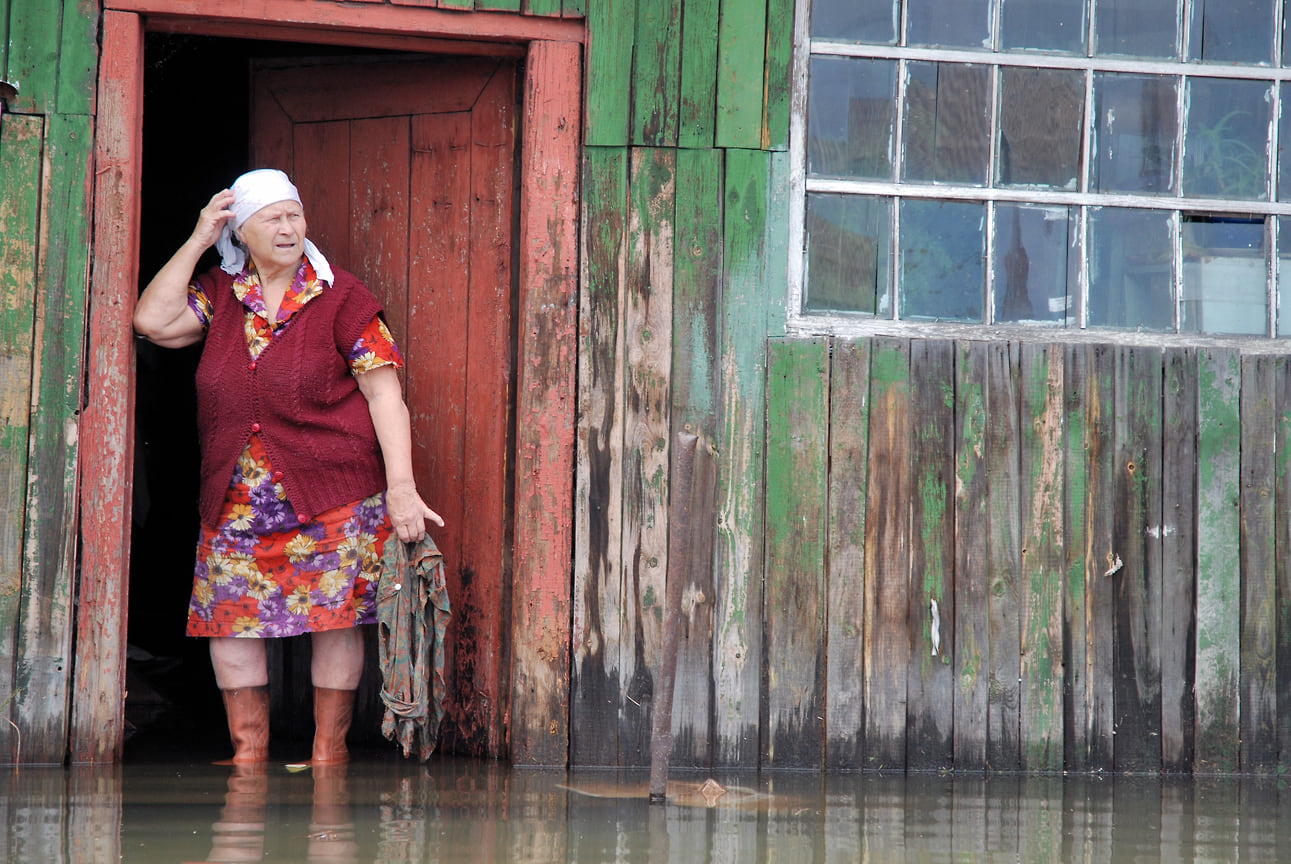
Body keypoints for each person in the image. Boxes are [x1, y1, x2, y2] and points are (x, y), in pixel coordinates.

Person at [133, 168, 442, 765]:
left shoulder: (342, 297)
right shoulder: (220, 293)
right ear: (240, 232)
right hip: (235, 495)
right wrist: (199, 238)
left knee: (334, 620)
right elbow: (151, 322)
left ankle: (330, 754)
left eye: (293, 215)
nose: (287, 227)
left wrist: (401, 489)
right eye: (271, 218)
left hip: (332, 492)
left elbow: (385, 396)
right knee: (229, 621)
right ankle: (249, 756)